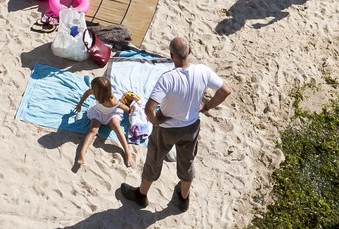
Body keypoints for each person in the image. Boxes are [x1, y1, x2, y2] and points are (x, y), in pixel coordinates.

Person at [119, 38, 228, 212]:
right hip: (191, 126)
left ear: (171, 56)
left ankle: (141, 195)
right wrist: (206, 106)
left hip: (167, 129)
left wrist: (156, 121)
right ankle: (184, 198)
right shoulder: (203, 71)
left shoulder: (167, 79)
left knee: (154, 161)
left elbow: (149, 108)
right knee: (187, 161)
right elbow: (225, 91)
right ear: (190, 51)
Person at [72, 77, 134, 173]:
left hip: (111, 114)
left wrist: (131, 111)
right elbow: (86, 93)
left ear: (99, 93)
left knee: (116, 127)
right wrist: (79, 104)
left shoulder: (112, 101)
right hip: (98, 112)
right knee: (93, 130)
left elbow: (122, 107)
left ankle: (127, 152)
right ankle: (82, 152)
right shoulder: (95, 92)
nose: (92, 90)